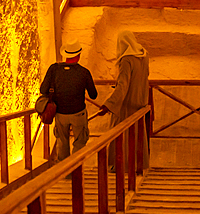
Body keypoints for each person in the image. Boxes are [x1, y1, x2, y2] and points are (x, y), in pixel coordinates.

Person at [99, 31, 150, 170]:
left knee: (121, 133)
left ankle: (121, 165)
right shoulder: (144, 56)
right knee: (136, 134)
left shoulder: (126, 60)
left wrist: (109, 104)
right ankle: (137, 163)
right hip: (140, 100)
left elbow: (123, 85)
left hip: (126, 103)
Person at [40, 40, 98, 162]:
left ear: (65, 55)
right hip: (78, 113)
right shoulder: (84, 72)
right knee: (80, 142)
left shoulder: (54, 69)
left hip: (60, 113)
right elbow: (93, 95)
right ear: (78, 55)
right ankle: (76, 169)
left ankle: (64, 172)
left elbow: (43, 89)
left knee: (62, 142)